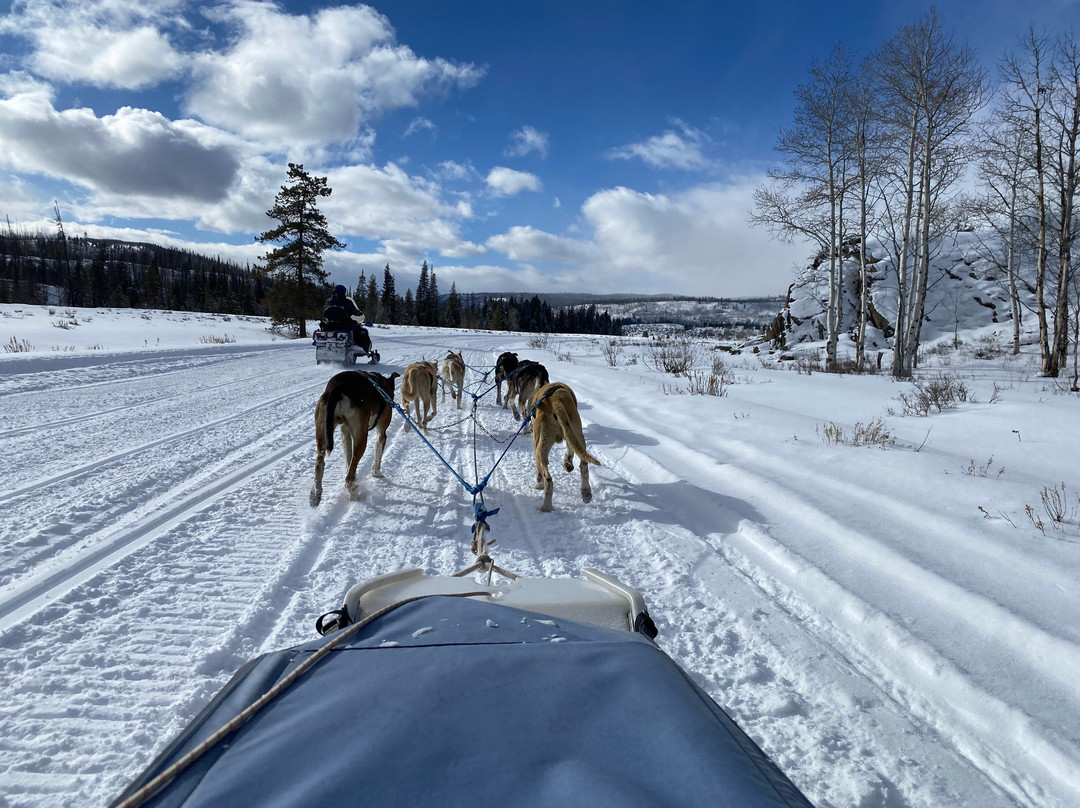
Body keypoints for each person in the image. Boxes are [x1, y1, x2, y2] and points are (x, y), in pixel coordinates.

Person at [322, 285, 371, 351]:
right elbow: (355, 311)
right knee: (359, 330)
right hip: (344, 325)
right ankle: (360, 347)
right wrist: (359, 313)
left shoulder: (329, 302)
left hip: (330, 325)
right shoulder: (347, 302)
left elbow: (325, 311)